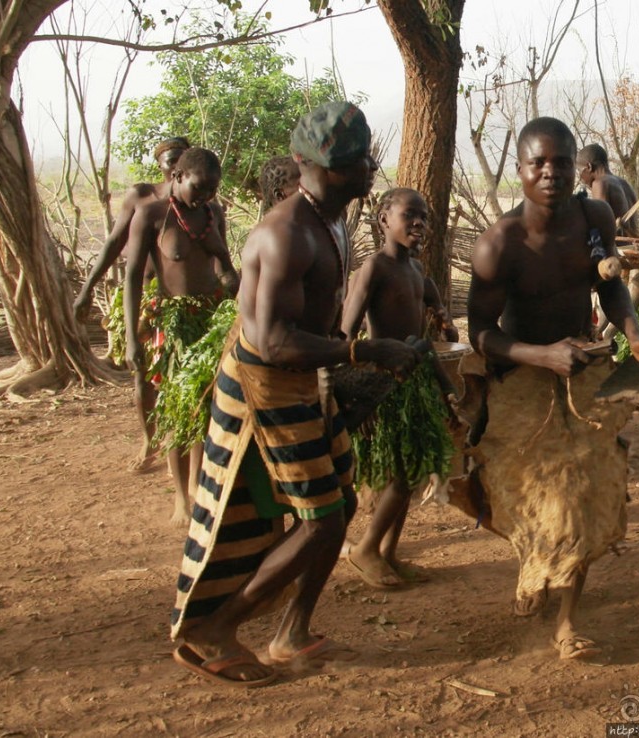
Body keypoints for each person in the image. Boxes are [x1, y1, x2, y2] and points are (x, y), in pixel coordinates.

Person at [170, 102, 421, 687]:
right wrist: (363, 354)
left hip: (303, 376)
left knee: (341, 504)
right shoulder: (285, 234)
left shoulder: (326, 220)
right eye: (360, 162)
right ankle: (216, 629)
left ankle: (292, 632)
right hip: (267, 384)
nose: (369, 171)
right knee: (320, 520)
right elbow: (275, 341)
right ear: (329, 170)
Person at [467, 116, 639, 660]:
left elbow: (613, 289)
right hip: (523, 376)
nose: (550, 172)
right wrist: (540, 356)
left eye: (560, 161)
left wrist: (633, 333)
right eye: (538, 163)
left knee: (583, 490)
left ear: (576, 165)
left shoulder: (593, 215)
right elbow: (479, 333)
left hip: (584, 367)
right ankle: (533, 560)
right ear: (521, 171)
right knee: (528, 494)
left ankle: (567, 622)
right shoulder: (499, 244)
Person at [341, 188, 455, 588]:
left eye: (424, 217)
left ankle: (387, 552)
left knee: (412, 468)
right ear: (383, 219)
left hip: (414, 381)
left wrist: (443, 324)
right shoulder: (374, 269)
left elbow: (437, 335)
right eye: (410, 215)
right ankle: (366, 548)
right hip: (384, 385)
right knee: (403, 473)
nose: (420, 224)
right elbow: (346, 333)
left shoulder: (418, 274)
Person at [124, 147, 239, 526]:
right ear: (177, 176)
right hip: (172, 325)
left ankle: (197, 486)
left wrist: (232, 284)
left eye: (212, 190)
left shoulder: (212, 213)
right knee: (176, 410)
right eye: (199, 187)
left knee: (206, 408)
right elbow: (132, 278)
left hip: (210, 321)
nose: (205, 196)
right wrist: (130, 337)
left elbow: (223, 264)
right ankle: (181, 499)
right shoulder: (153, 215)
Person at [75, 136, 191, 474]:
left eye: (181, 160)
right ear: (160, 164)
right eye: (170, 161)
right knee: (143, 375)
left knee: (177, 376)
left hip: (181, 304)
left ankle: (180, 446)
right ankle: (149, 440)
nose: (175, 167)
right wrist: (86, 290)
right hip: (144, 300)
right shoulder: (144, 198)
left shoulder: (196, 203)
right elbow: (113, 243)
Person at [576, 143, 638, 233]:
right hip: (633, 245)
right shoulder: (626, 184)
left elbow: (600, 226)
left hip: (617, 246)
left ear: (589, 167)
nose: (580, 177)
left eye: (579, 171)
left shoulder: (600, 184)